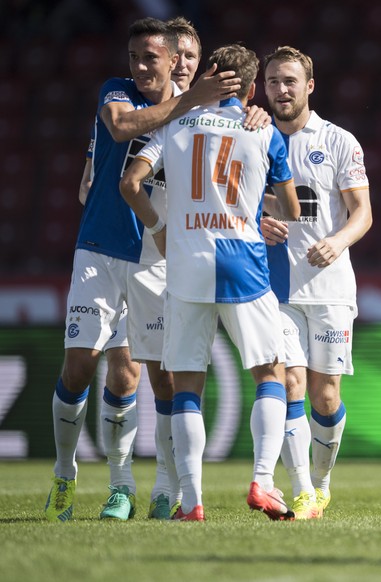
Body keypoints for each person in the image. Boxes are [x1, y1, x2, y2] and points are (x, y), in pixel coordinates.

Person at [45, 17, 246, 523]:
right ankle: (65, 475)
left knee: (145, 374)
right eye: (138, 57)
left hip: (158, 258)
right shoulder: (120, 92)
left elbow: (228, 160)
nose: (142, 66)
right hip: (100, 247)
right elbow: (118, 129)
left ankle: (131, 487)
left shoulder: (201, 113)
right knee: (79, 363)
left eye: (155, 58)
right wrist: (192, 99)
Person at [120, 43, 301, 522]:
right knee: (269, 373)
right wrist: (257, 211)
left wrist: (158, 228)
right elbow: (293, 209)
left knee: (186, 386)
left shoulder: (173, 124)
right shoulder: (262, 131)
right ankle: (262, 482)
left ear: (210, 75)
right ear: (250, 87)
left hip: (187, 264)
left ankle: (193, 501)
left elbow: (130, 182)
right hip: (244, 262)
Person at [260, 46, 372, 519]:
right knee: (290, 383)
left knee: (327, 396)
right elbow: (235, 206)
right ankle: (303, 488)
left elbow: (363, 213)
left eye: (289, 81)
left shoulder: (339, 140)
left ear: (309, 86)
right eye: (272, 83)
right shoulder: (253, 139)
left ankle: (321, 482)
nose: (280, 90)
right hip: (275, 285)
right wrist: (258, 222)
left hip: (328, 286)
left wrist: (337, 241)